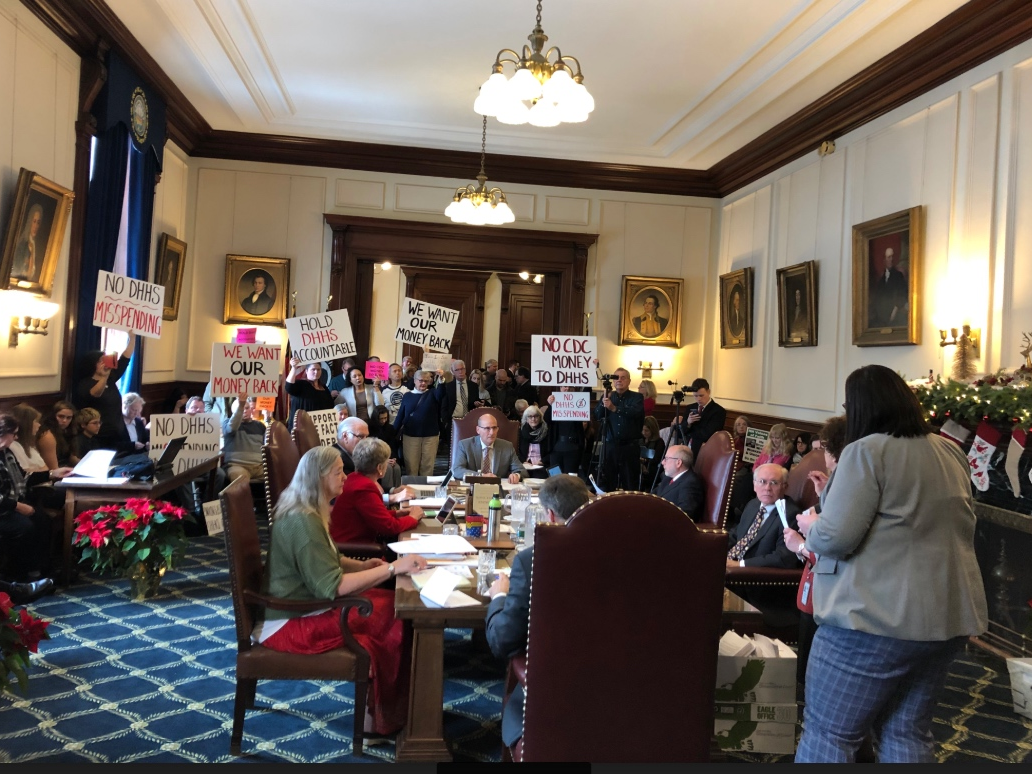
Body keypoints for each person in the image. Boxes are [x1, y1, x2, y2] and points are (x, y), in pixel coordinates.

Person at [793, 365, 987, 764]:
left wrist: (812, 527)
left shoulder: (866, 451)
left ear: (862, 407)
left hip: (874, 621)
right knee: (906, 733)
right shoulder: (947, 448)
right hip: (946, 618)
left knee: (830, 735)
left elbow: (837, 537)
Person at [252, 446, 427, 737]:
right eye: (338, 472)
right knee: (395, 615)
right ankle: (379, 719)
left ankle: (390, 710)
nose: (345, 477)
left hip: (305, 605)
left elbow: (327, 559)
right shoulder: (304, 522)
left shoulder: (305, 506)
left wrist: (359, 566)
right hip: (290, 622)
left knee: (392, 604)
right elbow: (333, 587)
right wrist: (393, 569)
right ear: (319, 477)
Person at [485, 474, 592, 751]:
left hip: (555, 693)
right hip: (625, 687)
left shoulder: (532, 559)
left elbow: (504, 641)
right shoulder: (625, 553)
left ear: (551, 515)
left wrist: (498, 596)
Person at [781, 415, 846, 695]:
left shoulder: (851, 480)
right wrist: (822, 493)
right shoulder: (840, 479)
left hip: (829, 584)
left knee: (817, 657)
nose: (823, 456)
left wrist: (801, 545)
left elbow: (838, 537)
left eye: (826, 450)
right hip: (816, 579)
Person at [0, 413, 60, 588]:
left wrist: (51, 473)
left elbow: (23, 477)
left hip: (9, 505)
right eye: (14, 433)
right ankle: (19, 576)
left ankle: (41, 570)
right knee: (23, 527)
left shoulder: (6, 452)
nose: (16, 437)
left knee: (42, 519)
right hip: (4, 509)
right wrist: (17, 506)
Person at [329, 438, 424, 546]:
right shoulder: (364, 488)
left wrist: (397, 513)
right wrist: (413, 518)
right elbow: (389, 527)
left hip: (352, 543)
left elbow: (372, 514)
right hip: (355, 550)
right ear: (380, 467)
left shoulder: (353, 478)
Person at [726, 463, 801, 570]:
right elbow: (736, 534)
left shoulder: (790, 515)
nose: (767, 488)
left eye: (774, 483)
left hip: (753, 576)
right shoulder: (753, 504)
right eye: (762, 481)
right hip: (730, 564)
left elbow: (783, 558)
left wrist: (740, 565)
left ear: (785, 487)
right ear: (754, 485)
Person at [73, 336, 136, 453]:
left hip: (117, 433)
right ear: (93, 364)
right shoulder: (85, 383)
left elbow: (126, 357)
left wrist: (132, 337)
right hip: (99, 436)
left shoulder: (111, 377)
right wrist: (104, 376)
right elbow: (96, 394)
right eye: (100, 361)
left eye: (105, 360)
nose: (104, 363)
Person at [594, 368, 645, 491]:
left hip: (629, 447)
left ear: (629, 381)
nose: (619, 380)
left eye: (623, 378)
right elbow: (597, 415)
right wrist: (603, 401)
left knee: (629, 481)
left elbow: (635, 412)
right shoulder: (609, 396)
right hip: (610, 446)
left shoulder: (637, 397)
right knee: (608, 481)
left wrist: (614, 408)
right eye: (616, 377)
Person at [334, 417, 405, 496]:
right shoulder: (337, 460)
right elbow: (360, 495)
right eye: (361, 436)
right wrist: (393, 498)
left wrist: (393, 491)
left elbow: (373, 487)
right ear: (345, 436)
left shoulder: (355, 454)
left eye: (366, 437)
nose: (365, 441)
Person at [393, 370, 443, 477]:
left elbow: (441, 394)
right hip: (411, 436)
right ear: (415, 381)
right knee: (411, 466)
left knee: (427, 466)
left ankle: (425, 490)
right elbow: (400, 416)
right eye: (421, 380)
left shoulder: (433, 393)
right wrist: (392, 432)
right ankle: (412, 490)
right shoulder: (407, 396)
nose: (423, 383)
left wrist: (441, 379)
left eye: (426, 381)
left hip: (430, 436)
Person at [452, 414, 527, 484]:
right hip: (473, 489)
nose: (492, 433)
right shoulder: (465, 445)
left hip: (498, 491)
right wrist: (481, 476)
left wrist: (516, 475)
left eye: (494, 428)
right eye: (487, 428)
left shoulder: (507, 447)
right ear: (478, 430)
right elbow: (457, 470)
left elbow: (522, 471)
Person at [670, 378, 726, 460]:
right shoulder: (690, 407)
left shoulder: (718, 411)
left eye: (701, 395)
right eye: (695, 396)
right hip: (686, 448)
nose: (699, 399)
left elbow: (708, 434)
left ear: (708, 392)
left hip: (705, 452)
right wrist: (688, 423)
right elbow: (679, 433)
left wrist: (690, 432)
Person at [651, 444, 704, 521]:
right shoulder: (668, 478)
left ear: (678, 463)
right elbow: (652, 495)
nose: (663, 462)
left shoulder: (690, 484)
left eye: (666, 459)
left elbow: (684, 515)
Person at [543, 386, 586, 477]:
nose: (567, 388)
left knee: (571, 479)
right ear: (560, 388)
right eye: (564, 386)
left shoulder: (579, 402)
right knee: (555, 477)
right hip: (556, 447)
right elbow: (546, 419)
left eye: (570, 387)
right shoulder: (554, 402)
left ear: (574, 389)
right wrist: (551, 405)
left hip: (573, 448)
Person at [222, 396, 265, 484]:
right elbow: (231, 429)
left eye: (247, 408)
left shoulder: (260, 425)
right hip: (237, 466)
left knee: (279, 475)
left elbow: (267, 445)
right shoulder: (227, 423)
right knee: (240, 480)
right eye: (241, 408)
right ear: (234, 412)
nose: (244, 410)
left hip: (259, 466)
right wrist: (240, 407)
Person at [436, 360, 477, 450]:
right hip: (454, 421)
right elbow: (444, 405)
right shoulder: (449, 386)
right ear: (453, 372)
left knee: (469, 448)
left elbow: (475, 401)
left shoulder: (473, 386)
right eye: (457, 370)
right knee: (453, 448)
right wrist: (446, 420)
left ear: (465, 370)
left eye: (462, 369)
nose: (460, 372)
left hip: (469, 420)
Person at [285, 357, 335, 429]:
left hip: (321, 429)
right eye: (313, 369)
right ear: (306, 371)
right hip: (302, 429)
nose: (316, 372)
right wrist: (293, 368)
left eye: (318, 369)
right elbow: (288, 387)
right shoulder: (301, 384)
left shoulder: (324, 388)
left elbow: (331, 406)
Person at [869, 246, 908, 327]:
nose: (891, 259)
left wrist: (894, 313)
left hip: (894, 316)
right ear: (884, 260)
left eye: (892, 257)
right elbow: (877, 299)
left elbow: (902, 295)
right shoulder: (881, 280)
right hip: (881, 318)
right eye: (889, 257)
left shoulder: (898, 275)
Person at [39, 401, 78, 468]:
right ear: (53, 416)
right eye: (61, 416)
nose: (64, 421)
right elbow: (53, 468)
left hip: (66, 467)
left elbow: (71, 457)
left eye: (69, 418)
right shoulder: (47, 435)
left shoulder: (68, 431)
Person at [11, 203, 43, 282]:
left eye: (38, 222)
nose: (35, 226)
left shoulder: (36, 245)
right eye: (34, 221)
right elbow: (17, 270)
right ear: (30, 221)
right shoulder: (23, 244)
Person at [517, 404, 549, 473]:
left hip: (541, 465)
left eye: (536, 416)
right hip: (525, 465)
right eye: (530, 417)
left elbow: (552, 451)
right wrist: (523, 461)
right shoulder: (521, 432)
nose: (533, 419)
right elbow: (517, 451)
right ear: (526, 419)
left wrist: (542, 461)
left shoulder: (546, 432)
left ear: (540, 418)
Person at [639, 415, 664, 489]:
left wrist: (644, 461)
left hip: (652, 471)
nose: (644, 432)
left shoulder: (659, 442)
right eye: (642, 430)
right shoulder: (640, 439)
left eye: (646, 430)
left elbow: (656, 459)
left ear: (653, 430)